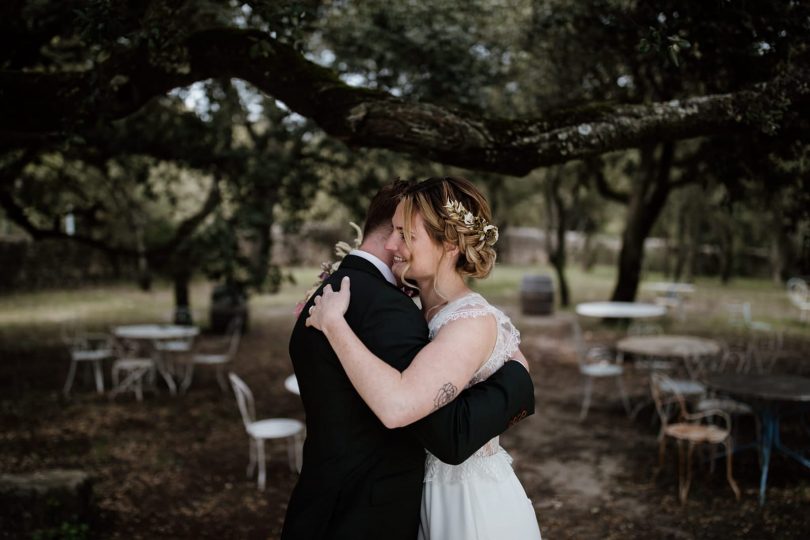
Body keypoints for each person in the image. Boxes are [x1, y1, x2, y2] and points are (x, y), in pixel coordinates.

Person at [282, 180, 535, 540]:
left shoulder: (468, 321)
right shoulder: (417, 312)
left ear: (448, 243)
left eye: (404, 234)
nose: (390, 245)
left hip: (467, 504)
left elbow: (399, 407)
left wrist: (334, 325)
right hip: (420, 498)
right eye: (393, 231)